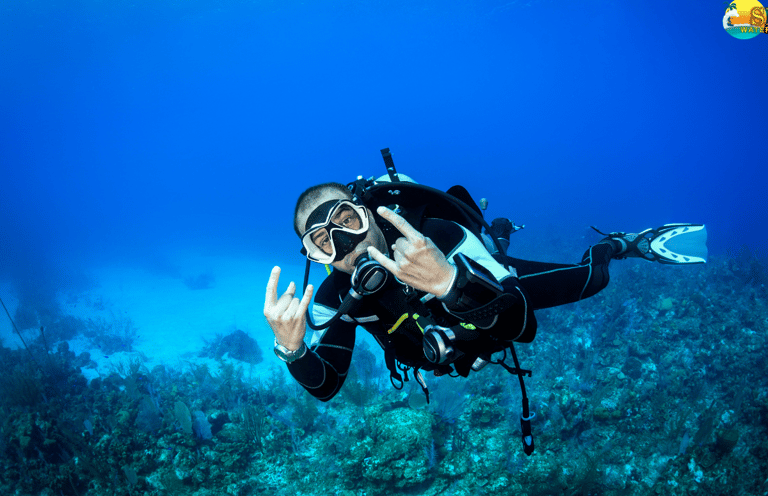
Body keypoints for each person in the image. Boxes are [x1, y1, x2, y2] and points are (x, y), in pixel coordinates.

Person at [263, 168, 707, 452]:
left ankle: (621, 244)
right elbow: (326, 386)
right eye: (321, 242)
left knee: (592, 279)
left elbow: (522, 324)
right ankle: (503, 234)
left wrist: (450, 284)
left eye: (346, 221)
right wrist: (293, 350)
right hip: (442, 351)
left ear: (368, 212)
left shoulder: (442, 237)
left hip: (487, 288)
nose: (343, 244)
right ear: (314, 257)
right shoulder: (331, 299)